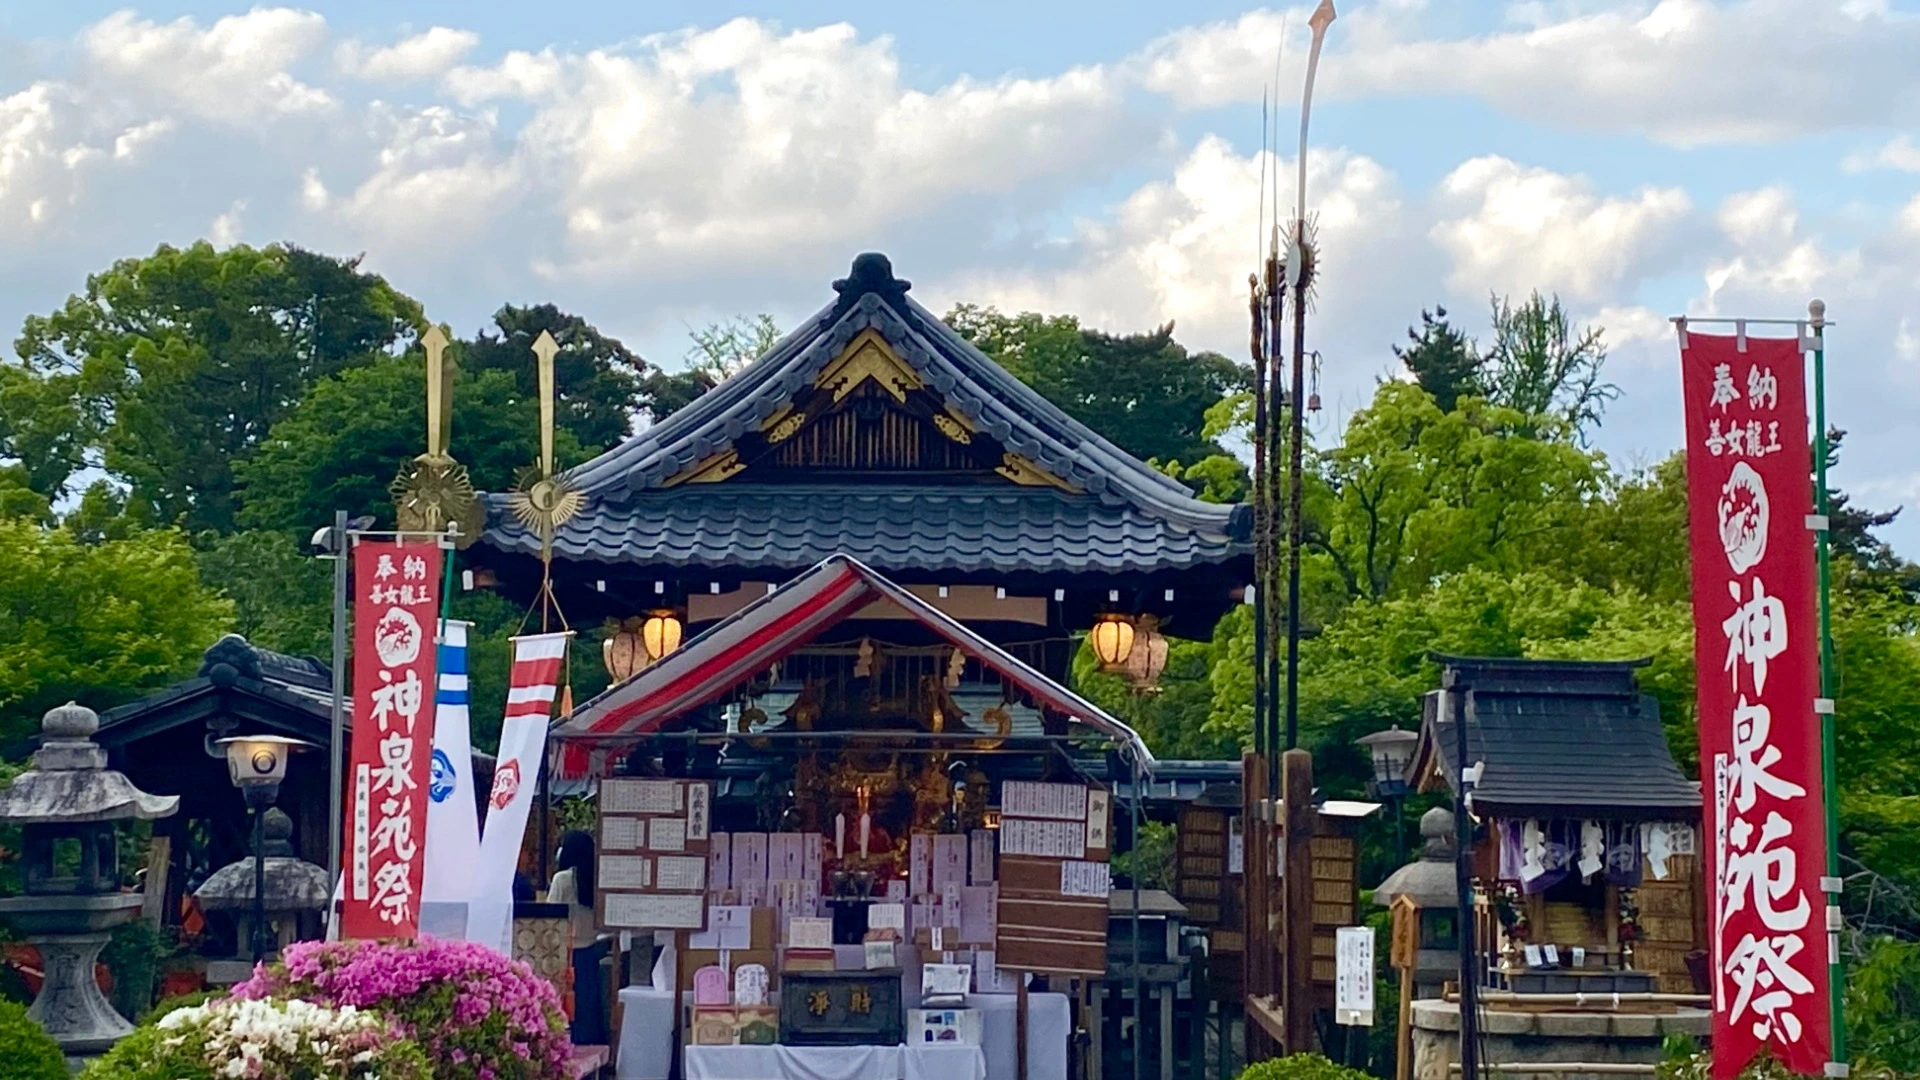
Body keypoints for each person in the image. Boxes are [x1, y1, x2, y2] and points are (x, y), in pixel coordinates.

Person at [548, 830, 609, 1046]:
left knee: (564, 1011)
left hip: (566, 956)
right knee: (587, 1011)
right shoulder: (599, 879)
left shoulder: (562, 880)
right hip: (591, 952)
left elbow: (550, 917)